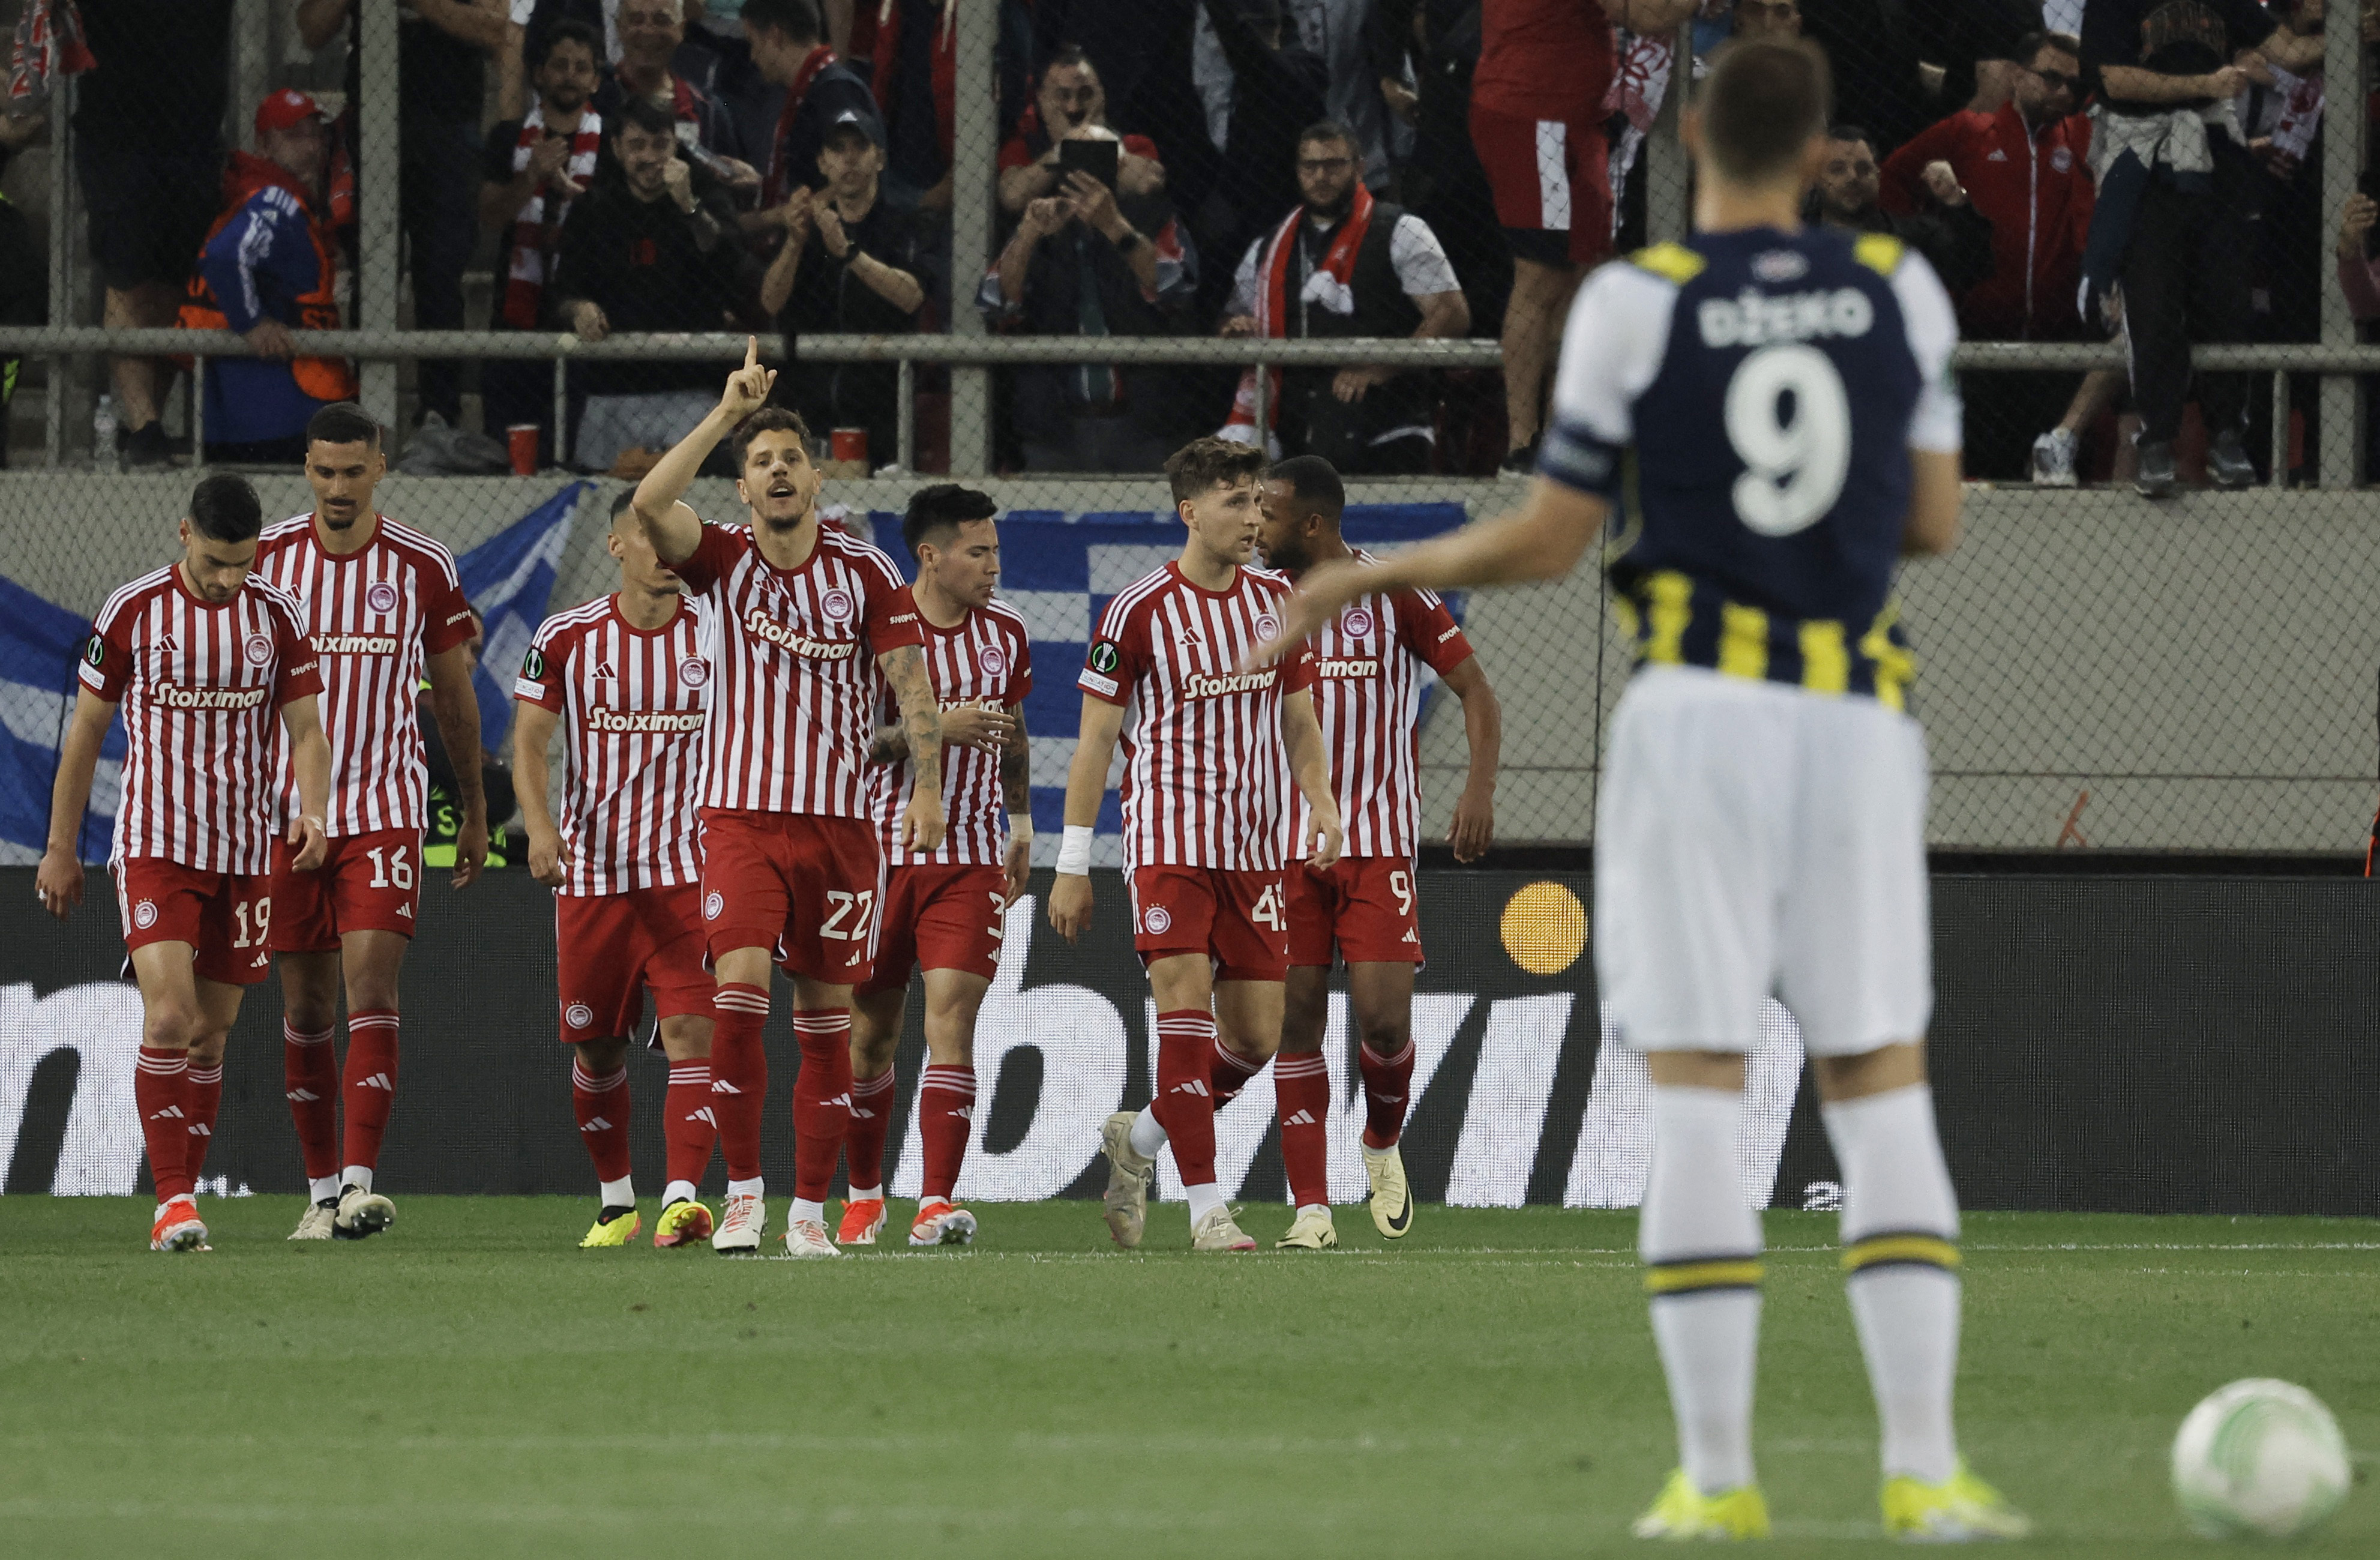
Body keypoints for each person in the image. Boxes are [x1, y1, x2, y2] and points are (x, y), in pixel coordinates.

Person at [1253, 36, 2029, 1542]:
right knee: (1878, 1088)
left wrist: (1371, 569)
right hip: (1850, 715)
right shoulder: (1895, 292)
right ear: (1817, 154)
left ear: (1684, 133)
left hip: (1689, 722)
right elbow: (1929, 519)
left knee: (1692, 1096)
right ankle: (1925, 1472)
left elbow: (1547, 544)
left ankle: (1717, 1480)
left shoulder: (1632, 304)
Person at [628, 339, 947, 1258]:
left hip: (843, 828)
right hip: (738, 817)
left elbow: (910, 686)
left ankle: (809, 1213)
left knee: (824, 1029)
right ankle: (743, 1197)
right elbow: (650, 504)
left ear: (816, 477)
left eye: (789, 458)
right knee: (736, 992)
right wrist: (729, 412)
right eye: (759, 462)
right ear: (742, 488)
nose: (775, 471)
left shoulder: (867, 574)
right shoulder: (722, 561)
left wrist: (926, 788)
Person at [1053, 436, 1344, 1254]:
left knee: (1252, 1038)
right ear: (1190, 511)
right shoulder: (1137, 609)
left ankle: (1138, 1140)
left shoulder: (1276, 601)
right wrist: (1073, 864)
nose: (1253, 517)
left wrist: (1319, 799)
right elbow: (1094, 742)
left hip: (1254, 852)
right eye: (1234, 501)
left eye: (1258, 502)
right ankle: (1207, 1210)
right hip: (1168, 842)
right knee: (1181, 1019)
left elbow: (1298, 717)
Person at [35, 474, 334, 1252]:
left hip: (245, 850)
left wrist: (314, 809)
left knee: (211, 1034)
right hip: (155, 844)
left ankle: (183, 1204)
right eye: (213, 562)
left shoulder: (277, 614)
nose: (227, 578)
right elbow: (87, 733)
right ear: (183, 535)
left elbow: (306, 728)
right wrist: (62, 846)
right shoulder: (132, 609)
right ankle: (172, 1201)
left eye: (240, 563)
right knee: (168, 1015)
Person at [1252, 454, 1500, 1245]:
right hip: (1282, 850)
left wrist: (1478, 789)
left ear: (1313, 523)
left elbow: (1477, 692)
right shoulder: (1253, 603)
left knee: (1383, 1025)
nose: (1257, 524)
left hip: (1376, 843)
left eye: (1271, 511)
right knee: (1294, 1019)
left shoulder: (1391, 591)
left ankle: (1381, 1141)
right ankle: (1311, 1209)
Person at [256, 403, 489, 1242]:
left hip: (385, 810)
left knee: (372, 989)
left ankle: (358, 1183)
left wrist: (471, 807)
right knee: (305, 1008)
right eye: (324, 470)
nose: (338, 487)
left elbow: (454, 695)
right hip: (288, 815)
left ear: (380, 468)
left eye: (354, 471)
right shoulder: (269, 559)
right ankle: (319, 1194)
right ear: (307, 468)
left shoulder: (423, 563)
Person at [513, 492, 722, 1250]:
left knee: (698, 1032)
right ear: (617, 545)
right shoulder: (567, 637)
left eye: (677, 537)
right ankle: (614, 1201)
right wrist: (540, 826)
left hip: (690, 874)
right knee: (597, 1047)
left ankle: (679, 1199)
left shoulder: (717, 633)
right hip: (594, 876)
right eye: (651, 535)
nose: (668, 550)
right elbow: (530, 741)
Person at [836, 486, 1033, 1250]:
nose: (993, 566)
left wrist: (1020, 822)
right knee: (871, 1037)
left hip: (972, 855)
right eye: (978, 552)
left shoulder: (1007, 631)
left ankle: (936, 1200)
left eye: (995, 551)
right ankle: (863, 1197)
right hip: (877, 854)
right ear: (931, 555)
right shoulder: (876, 628)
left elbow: (1012, 731)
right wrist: (933, 730)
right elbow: (848, 745)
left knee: (952, 1019)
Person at [2079, 0, 2322, 496]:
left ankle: (2227, 434)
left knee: (2226, 299)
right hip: (2144, 155)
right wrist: (2205, 86)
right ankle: (2158, 439)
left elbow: (2292, 53)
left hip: (2215, 153)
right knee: (2153, 301)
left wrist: (2358, 34)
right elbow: (2113, 80)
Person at [1471, 0, 1696, 472]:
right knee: (1541, 274)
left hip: (1575, 120)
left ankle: (1559, 436)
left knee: (1583, 273)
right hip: (1536, 112)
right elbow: (1645, 15)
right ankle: (1520, 444)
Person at [1880, 31, 2105, 484]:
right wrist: (1929, 253)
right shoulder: (1968, 132)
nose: (2063, 92)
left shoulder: (2080, 138)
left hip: (2055, 348)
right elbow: (1893, 180)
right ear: (2018, 77)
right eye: (2051, 79)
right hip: (1979, 346)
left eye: (2072, 86)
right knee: (1985, 479)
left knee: (2055, 490)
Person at [296, 0, 512, 435]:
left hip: (450, 125)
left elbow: (498, 28)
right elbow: (311, 30)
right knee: (372, 273)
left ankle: (440, 416)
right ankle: (359, 416)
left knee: (441, 273)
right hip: (372, 126)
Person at [1218, 120, 1470, 474]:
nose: (1321, 176)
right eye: (1311, 166)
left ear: (1360, 168)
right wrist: (1238, 328)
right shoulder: (1270, 246)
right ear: (1298, 171)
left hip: (1388, 426)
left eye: (1334, 165)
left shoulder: (1402, 229)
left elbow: (1452, 314)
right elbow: (1233, 314)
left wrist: (1380, 367)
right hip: (1298, 431)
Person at [550, 96, 758, 472]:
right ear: (615, 149)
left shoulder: (704, 195)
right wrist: (578, 308)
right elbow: (561, 293)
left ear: (675, 145)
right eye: (637, 146)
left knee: (694, 510)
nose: (649, 157)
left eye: (660, 145)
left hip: (691, 388)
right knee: (604, 507)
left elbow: (734, 268)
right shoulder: (594, 208)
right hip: (610, 390)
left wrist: (689, 206)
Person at [982, 124, 1202, 472]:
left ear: (1120, 169)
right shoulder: (1040, 224)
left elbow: (1177, 287)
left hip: (1145, 424)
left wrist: (1114, 225)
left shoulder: (1152, 215)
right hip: (1055, 427)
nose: (1086, 177)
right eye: (1073, 166)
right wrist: (1028, 236)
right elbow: (997, 303)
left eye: (1099, 164)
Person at [76, 0, 231, 468]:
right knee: (129, 276)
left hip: (193, 129)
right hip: (117, 128)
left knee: (172, 282)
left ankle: (152, 424)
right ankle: (143, 425)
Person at [176, 90, 358, 466]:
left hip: (235, 416)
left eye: (316, 135)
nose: (310, 148)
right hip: (284, 412)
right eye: (294, 137)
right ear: (264, 146)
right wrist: (253, 324)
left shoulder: (250, 195)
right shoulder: (276, 199)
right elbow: (226, 258)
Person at [759, 110, 929, 472]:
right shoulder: (807, 227)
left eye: (860, 147)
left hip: (879, 415)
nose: (849, 158)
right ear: (823, 163)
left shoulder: (902, 222)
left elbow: (912, 296)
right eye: (837, 149)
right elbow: (770, 300)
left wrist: (850, 254)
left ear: (880, 158)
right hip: (807, 411)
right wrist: (794, 242)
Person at [481, 20, 606, 468]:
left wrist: (582, 198)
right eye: (559, 65)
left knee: (570, 460)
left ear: (596, 78)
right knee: (508, 461)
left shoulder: (610, 141)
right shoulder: (508, 138)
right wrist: (531, 175)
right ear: (539, 74)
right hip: (516, 318)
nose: (570, 75)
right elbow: (491, 216)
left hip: (584, 321)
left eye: (581, 67)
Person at [593, 0, 760, 195]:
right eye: (636, 20)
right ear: (620, 28)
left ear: (681, 29)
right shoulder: (593, 101)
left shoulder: (709, 113)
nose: (648, 31)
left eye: (661, 20)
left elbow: (728, 203)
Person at [1811, 127, 1994, 300]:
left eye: (1863, 169)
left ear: (1878, 176)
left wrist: (1956, 198)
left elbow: (1974, 268)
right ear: (1815, 179)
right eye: (1837, 169)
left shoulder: (1916, 240)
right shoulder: (1794, 242)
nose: (1852, 177)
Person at [997, 47, 1167, 218]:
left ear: (1101, 95)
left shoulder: (1133, 143)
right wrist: (1064, 148)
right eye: (1063, 96)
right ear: (1042, 99)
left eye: (1086, 94)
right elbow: (1012, 197)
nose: (1074, 108)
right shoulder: (1023, 145)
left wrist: (1094, 137)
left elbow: (1146, 183)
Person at [746, 0, 883, 205]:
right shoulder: (809, 88)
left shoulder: (836, 92)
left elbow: (856, 182)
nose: (752, 56)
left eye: (753, 42)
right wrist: (759, 183)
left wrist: (776, 218)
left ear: (775, 36)